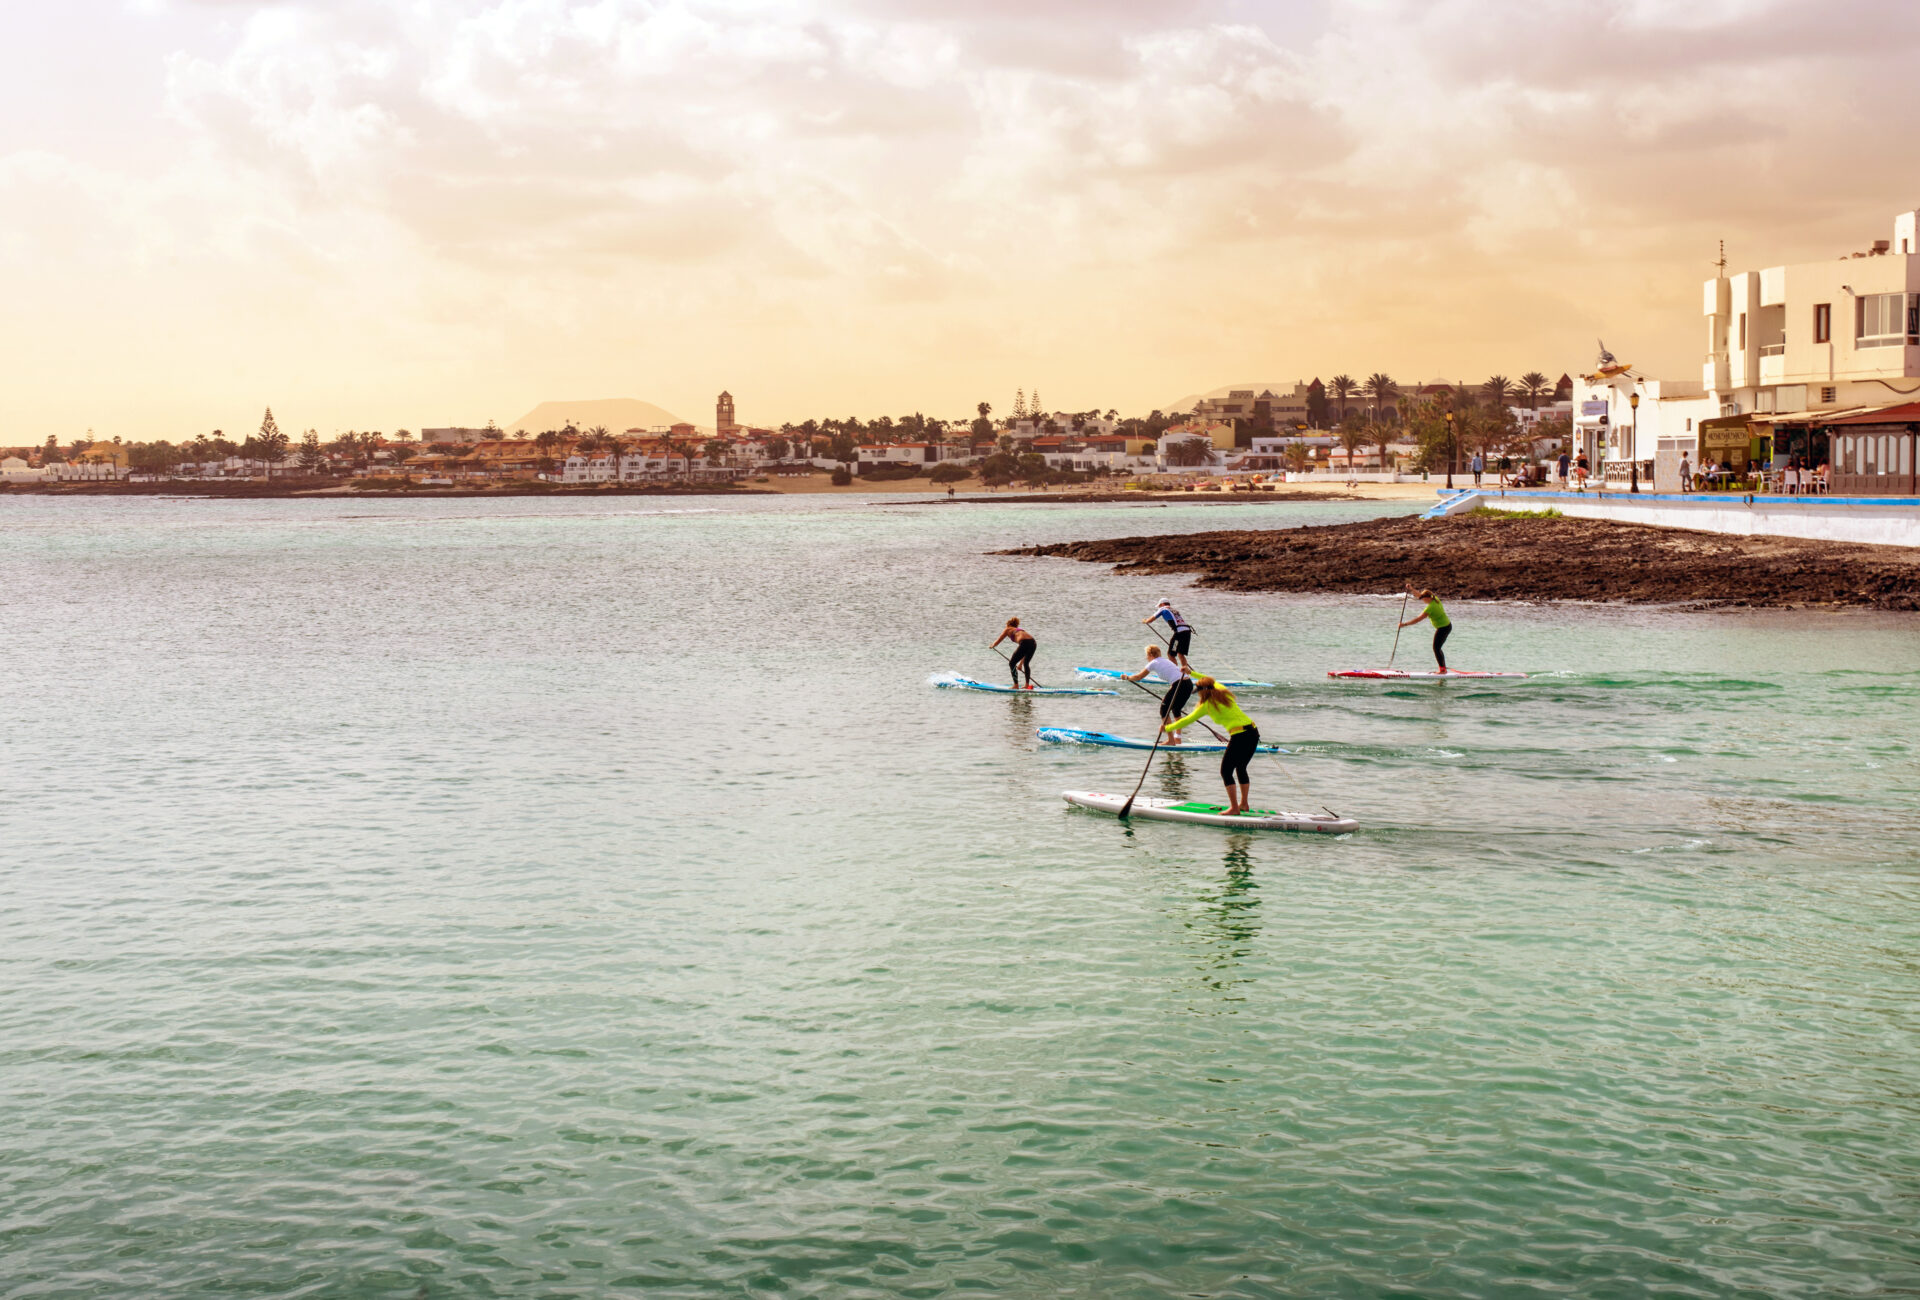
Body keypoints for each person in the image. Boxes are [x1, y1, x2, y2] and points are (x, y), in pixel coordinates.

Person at [1162, 676, 1262, 816]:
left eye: (1199, 692)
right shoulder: (1224, 693)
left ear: (1203, 691)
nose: (1198, 695)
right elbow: (1211, 680)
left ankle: (1234, 808)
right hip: (1253, 732)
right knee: (1241, 767)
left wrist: (1167, 728)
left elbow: (1187, 720)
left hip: (1240, 735)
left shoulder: (1207, 705)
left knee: (1226, 771)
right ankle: (1243, 804)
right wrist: (1192, 672)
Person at [1123, 644, 1192, 745]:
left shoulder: (1153, 663)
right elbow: (1174, 674)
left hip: (1180, 684)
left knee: (1164, 710)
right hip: (1188, 684)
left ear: (1150, 654)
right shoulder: (1165, 660)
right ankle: (1178, 738)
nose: (1146, 658)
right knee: (1176, 709)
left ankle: (1171, 740)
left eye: (1147, 655)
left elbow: (1138, 677)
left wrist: (1127, 677)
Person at [1397, 587, 1453, 673]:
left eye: (1424, 599)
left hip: (1443, 628)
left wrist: (1404, 624)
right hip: (1447, 626)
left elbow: (1418, 619)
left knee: (1436, 648)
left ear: (1428, 598)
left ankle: (1443, 670)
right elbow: (1419, 595)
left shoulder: (1430, 608)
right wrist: (1411, 588)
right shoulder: (1435, 599)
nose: (1423, 601)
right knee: (1437, 648)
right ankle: (1443, 668)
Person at [1142, 600, 1193, 668]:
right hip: (1187, 632)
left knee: (1171, 654)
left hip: (1179, 633)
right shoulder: (1174, 610)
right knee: (1180, 654)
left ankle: (1175, 673)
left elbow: (1150, 620)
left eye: (1159, 606)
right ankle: (1185, 674)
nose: (1159, 608)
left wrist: (1145, 621)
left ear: (1162, 604)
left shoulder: (1163, 608)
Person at [990, 617, 1037, 689]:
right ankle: (1027, 685)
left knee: (1012, 663)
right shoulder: (1020, 630)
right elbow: (1025, 651)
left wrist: (992, 645)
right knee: (1026, 664)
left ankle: (1016, 685)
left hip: (1024, 643)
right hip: (1033, 642)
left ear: (1008, 624)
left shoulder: (1008, 629)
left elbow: (999, 640)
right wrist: (1020, 664)